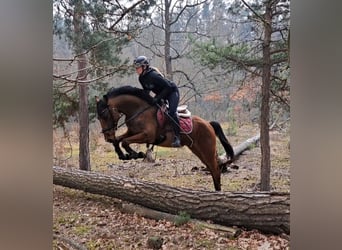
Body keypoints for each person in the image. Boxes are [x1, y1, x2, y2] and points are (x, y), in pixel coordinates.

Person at [133, 55, 181, 147]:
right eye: (136, 68)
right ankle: (159, 133)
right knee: (154, 111)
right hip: (161, 94)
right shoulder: (141, 78)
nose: (136, 69)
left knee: (171, 113)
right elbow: (146, 92)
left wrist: (157, 98)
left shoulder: (153, 75)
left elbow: (168, 87)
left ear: (144, 66)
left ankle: (177, 137)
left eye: (138, 67)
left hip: (172, 92)